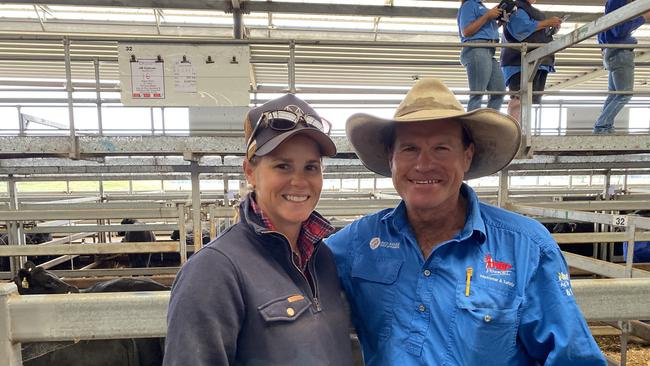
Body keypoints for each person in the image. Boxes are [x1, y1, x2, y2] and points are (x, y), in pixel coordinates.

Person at [326, 78, 607, 365]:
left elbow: (571, 358)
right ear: (391, 159)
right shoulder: (360, 242)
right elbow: (296, 264)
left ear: (467, 156)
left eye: (441, 148)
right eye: (409, 149)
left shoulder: (526, 246)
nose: (424, 164)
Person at [163, 94, 354, 366]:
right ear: (250, 172)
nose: (299, 181)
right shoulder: (214, 271)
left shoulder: (322, 259)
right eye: (282, 166)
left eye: (311, 167)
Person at [594, 1, 650, 134]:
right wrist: (644, 18)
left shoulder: (612, 4)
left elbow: (605, 29)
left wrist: (604, 48)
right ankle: (602, 126)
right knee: (625, 94)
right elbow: (619, 30)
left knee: (614, 94)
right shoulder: (618, 1)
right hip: (621, 52)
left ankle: (604, 126)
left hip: (612, 52)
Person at [500, 0, 562, 121]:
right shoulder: (516, 8)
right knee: (518, 98)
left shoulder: (528, 10)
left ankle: (522, 130)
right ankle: (514, 131)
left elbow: (535, 31)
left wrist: (551, 29)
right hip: (519, 61)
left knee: (528, 99)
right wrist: (547, 22)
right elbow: (520, 29)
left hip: (539, 61)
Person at [457, 0, 506, 111]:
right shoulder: (469, 4)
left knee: (499, 91)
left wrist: (499, 23)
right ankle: (471, 126)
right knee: (477, 93)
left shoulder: (479, 5)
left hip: (488, 50)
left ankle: (488, 122)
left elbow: (483, 29)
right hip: (477, 48)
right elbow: (466, 31)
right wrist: (488, 15)